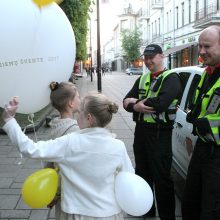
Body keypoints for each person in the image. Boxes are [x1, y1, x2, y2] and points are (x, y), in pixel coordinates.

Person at [2, 93, 134, 220]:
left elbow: (30, 149)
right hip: (109, 213)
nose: (76, 117)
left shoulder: (69, 142)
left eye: (79, 113)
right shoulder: (118, 146)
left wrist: (9, 120)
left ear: (88, 118)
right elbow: (129, 178)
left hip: (76, 213)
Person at [123, 44, 182, 220]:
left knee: (162, 178)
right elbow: (125, 102)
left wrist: (137, 103)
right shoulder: (142, 78)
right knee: (142, 172)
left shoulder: (171, 78)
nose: (148, 61)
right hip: (141, 132)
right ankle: (146, 209)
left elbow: (161, 103)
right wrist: (136, 105)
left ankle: (167, 216)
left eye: (152, 57)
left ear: (161, 56)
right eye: (146, 58)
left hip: (159, 133)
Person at [181, 25, 220, 220]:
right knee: (190, 202)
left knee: (210, 210)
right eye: (199, 46)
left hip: (217, 156)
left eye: (207, 46)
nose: (202, 51)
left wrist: (206, 123)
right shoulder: (208, 72)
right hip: (203, 148)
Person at [46, 81, 80, 219]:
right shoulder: (74, 131)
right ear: (71, 103)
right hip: (70, 192)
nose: (80, 99)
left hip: (58, 191)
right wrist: (58, 192)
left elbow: (48, 162)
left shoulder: (54, 126)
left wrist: (50, 191)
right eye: (78, 96)